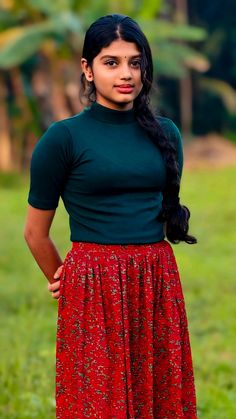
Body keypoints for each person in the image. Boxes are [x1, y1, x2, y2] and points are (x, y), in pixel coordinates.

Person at [24, 13, 197, 418]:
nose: (126, 74)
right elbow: (35, 233)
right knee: (99, 404)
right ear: (87, 69)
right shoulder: (63, 138)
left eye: (135, 62)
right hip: (93, 284)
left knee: (160, 397)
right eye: (111, 62)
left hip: (155, 277)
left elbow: (162, 203)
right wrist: (64, 282)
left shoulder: (166, 133)